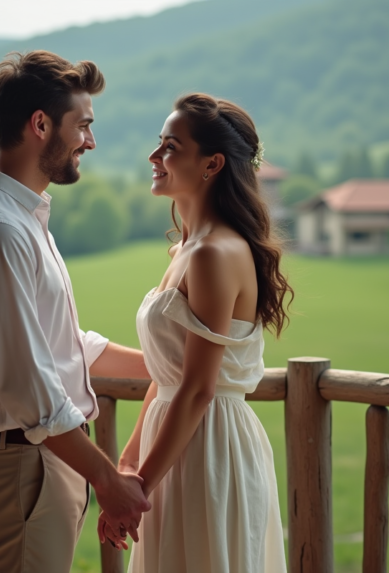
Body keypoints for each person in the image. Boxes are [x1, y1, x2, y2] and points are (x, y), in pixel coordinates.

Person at [0, 50, 151, 573]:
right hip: (20, 467)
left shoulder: (18, 217)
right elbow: (30, 386)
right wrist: (109, 480)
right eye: (83, 126)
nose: (90, 142)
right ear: (40, 125)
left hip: (33, 462)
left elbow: (58, 342)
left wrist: (160, 366)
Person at [98, 93, 292, 572]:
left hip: (209, 450)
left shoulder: (214, 254)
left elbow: (199, 388)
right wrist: (127, 463)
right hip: (171, 445)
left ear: (212, 164)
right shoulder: (186, 249)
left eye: (169, 147)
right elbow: (169, 377)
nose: (154, 157)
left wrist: (137, 489)